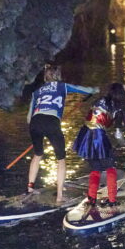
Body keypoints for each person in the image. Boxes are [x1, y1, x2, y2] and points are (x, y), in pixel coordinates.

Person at [27, 63, 98, 203]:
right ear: (58, 75)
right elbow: (85, 89)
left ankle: (30, 187)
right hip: (52, 122)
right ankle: (60, 196)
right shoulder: (63, 86)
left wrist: (39, 126)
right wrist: (95, 90)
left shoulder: (36, 91)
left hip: (35, 123)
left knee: (37, 154)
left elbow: (29, 118)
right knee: (61, 159)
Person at [73, 83, 125, 219]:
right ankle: (112, 201)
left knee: (96, 168)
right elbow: (118, 135)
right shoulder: (117, 108)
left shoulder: (100, 100)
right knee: (110, 167)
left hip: (85, 134)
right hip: (98, 136)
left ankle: (92, 200)